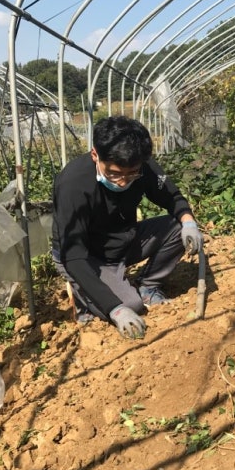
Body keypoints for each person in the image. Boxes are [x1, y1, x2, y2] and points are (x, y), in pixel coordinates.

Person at [52, 116, 203, 339]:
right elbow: (73, 256)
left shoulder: (140, 164)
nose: (123, 181)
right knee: (129, 305)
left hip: (122, 240)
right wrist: (116, 309)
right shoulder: (74, 185)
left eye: (131, 174)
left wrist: (188, 222)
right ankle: (83, 295)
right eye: (114, 173)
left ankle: (148, 286)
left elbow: (172, 197)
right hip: (86, 256)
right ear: (95, 155)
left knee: (178, 227)